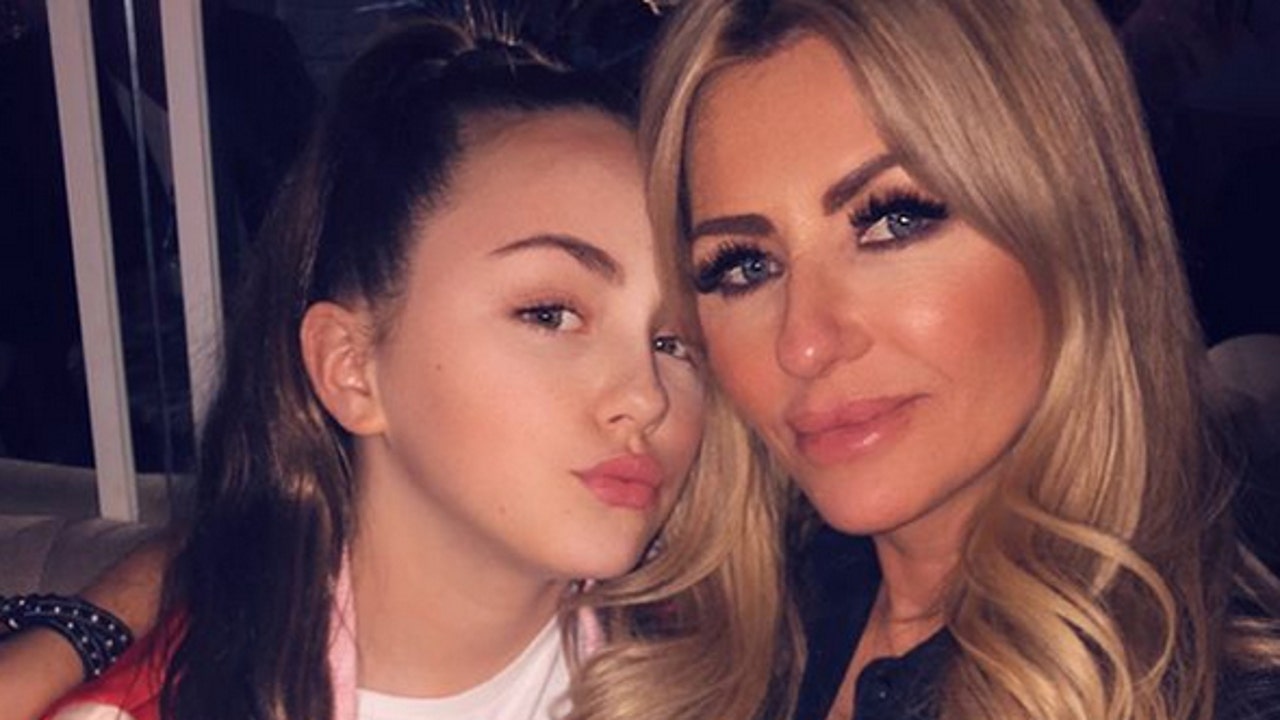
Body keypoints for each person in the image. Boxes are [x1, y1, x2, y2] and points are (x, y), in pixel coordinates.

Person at [0, 17, 791, 720]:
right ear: (352, 368)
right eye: (550, 313)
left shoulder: (748, 668)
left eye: (675, 341)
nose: (646, 398)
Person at [639, 0, 1280, 718]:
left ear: (1074, 234)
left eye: (894, 220)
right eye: (744, 266)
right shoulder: (732, 641)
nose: (804, 343)